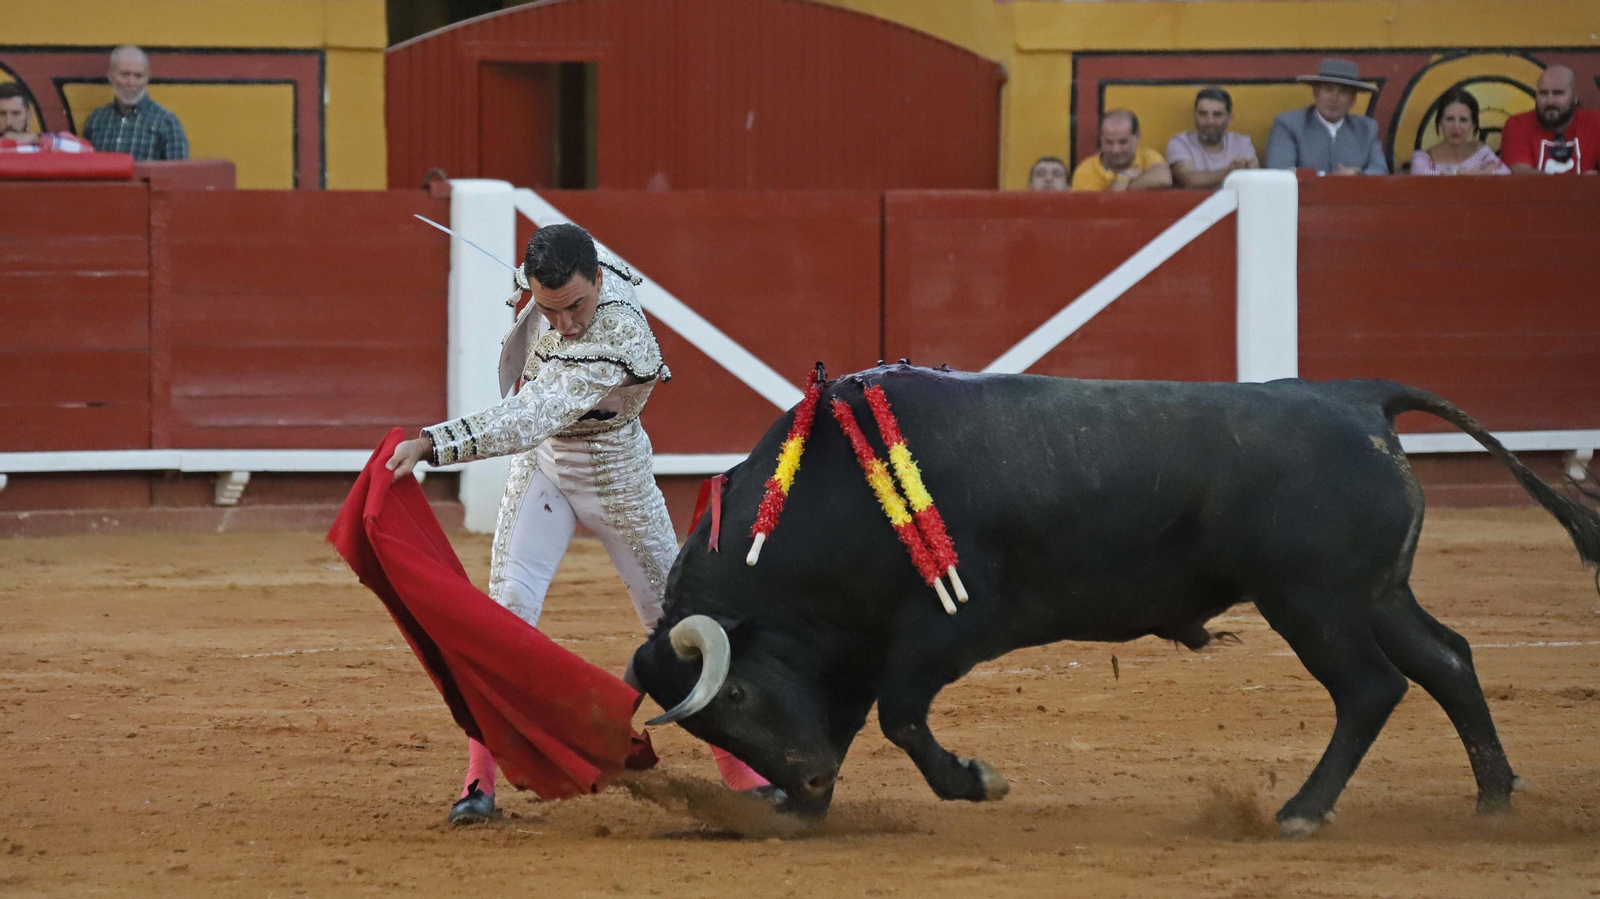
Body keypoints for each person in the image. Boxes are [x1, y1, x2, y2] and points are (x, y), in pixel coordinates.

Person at [386, 224, 771, 825]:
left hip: (616, 472)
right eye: (549, 309)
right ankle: (478, 782)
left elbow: (530, 414)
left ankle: (740, 771)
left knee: (675, 622)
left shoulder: (619, 333)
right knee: (506, 615)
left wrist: (434, 442)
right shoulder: (575, 270)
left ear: (598, 279)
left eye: (576, 307)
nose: (564, 324)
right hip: (543, 468)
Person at [1265, 58, 1388, 175]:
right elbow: (1280, 172)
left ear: (1353, 100)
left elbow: (1380, 170)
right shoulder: (1289, 125)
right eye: (1328, 90)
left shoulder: (1366, 129)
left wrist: (1359, 176)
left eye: (1343, 92)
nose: (1334, 99)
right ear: (1316, 93)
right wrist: (1329, 179)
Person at [82, 46, 188, 161]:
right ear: (110, 75)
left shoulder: (167, 123)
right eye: (125, 75)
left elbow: (179, 171)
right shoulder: (96, 121)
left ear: (147, 78)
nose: (131, 83)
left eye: (138, 76)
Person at [1499, 65, 1600, 175]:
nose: (1550, 101)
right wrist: (1583, 181)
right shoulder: (1518, 124)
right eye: (1543, 93)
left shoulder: (1596, 122)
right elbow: (1522, 177)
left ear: (1574, 95)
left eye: (1558, 93)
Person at [1165, 87, 1259, 188]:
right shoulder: (1180, 143)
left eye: (1217, 114)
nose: (1210, 121)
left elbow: (1253, 182)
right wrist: (1230, 172)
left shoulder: (1241, 143)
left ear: (1229, 118)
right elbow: (1189, 180)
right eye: (1203, 114)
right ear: (1195, 116)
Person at [1408, 89, 1509, 175]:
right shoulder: (1423, 159)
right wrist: (1481, 173)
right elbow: (1425, 178)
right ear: (1440, 122)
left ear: (1473, 125)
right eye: (1450, 119)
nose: (1456, 126)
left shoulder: (1482, 153)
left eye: (1463, 120)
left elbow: (1505, 173)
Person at [1071, 109, 1171, 191]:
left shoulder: (1147, 156)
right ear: (1101, 138)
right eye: (1109, 142)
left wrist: (1122, 186)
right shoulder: (1086, 170)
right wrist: (1125, 176)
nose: (1116, 150)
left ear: (1137, 136)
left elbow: (1163, 179)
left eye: (1123, 142)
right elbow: (1105, 206)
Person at [0, 82, 91, 153]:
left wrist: (38, 140)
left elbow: (88, 150)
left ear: (28, 115)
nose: (8, 122)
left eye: (16, 114)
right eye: (2, 114)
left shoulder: (49, 138)